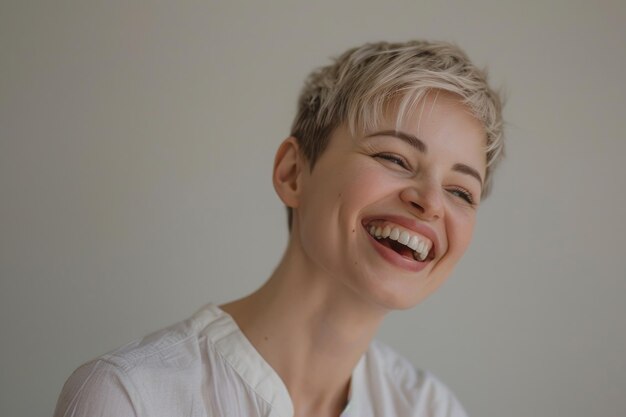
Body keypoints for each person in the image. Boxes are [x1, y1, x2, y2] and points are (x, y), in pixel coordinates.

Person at [54, 40, 504, 417]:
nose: (429, 202)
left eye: (461, 191)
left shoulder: (432, 409)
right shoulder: (130, 397)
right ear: (293, 172)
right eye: (394, 158)